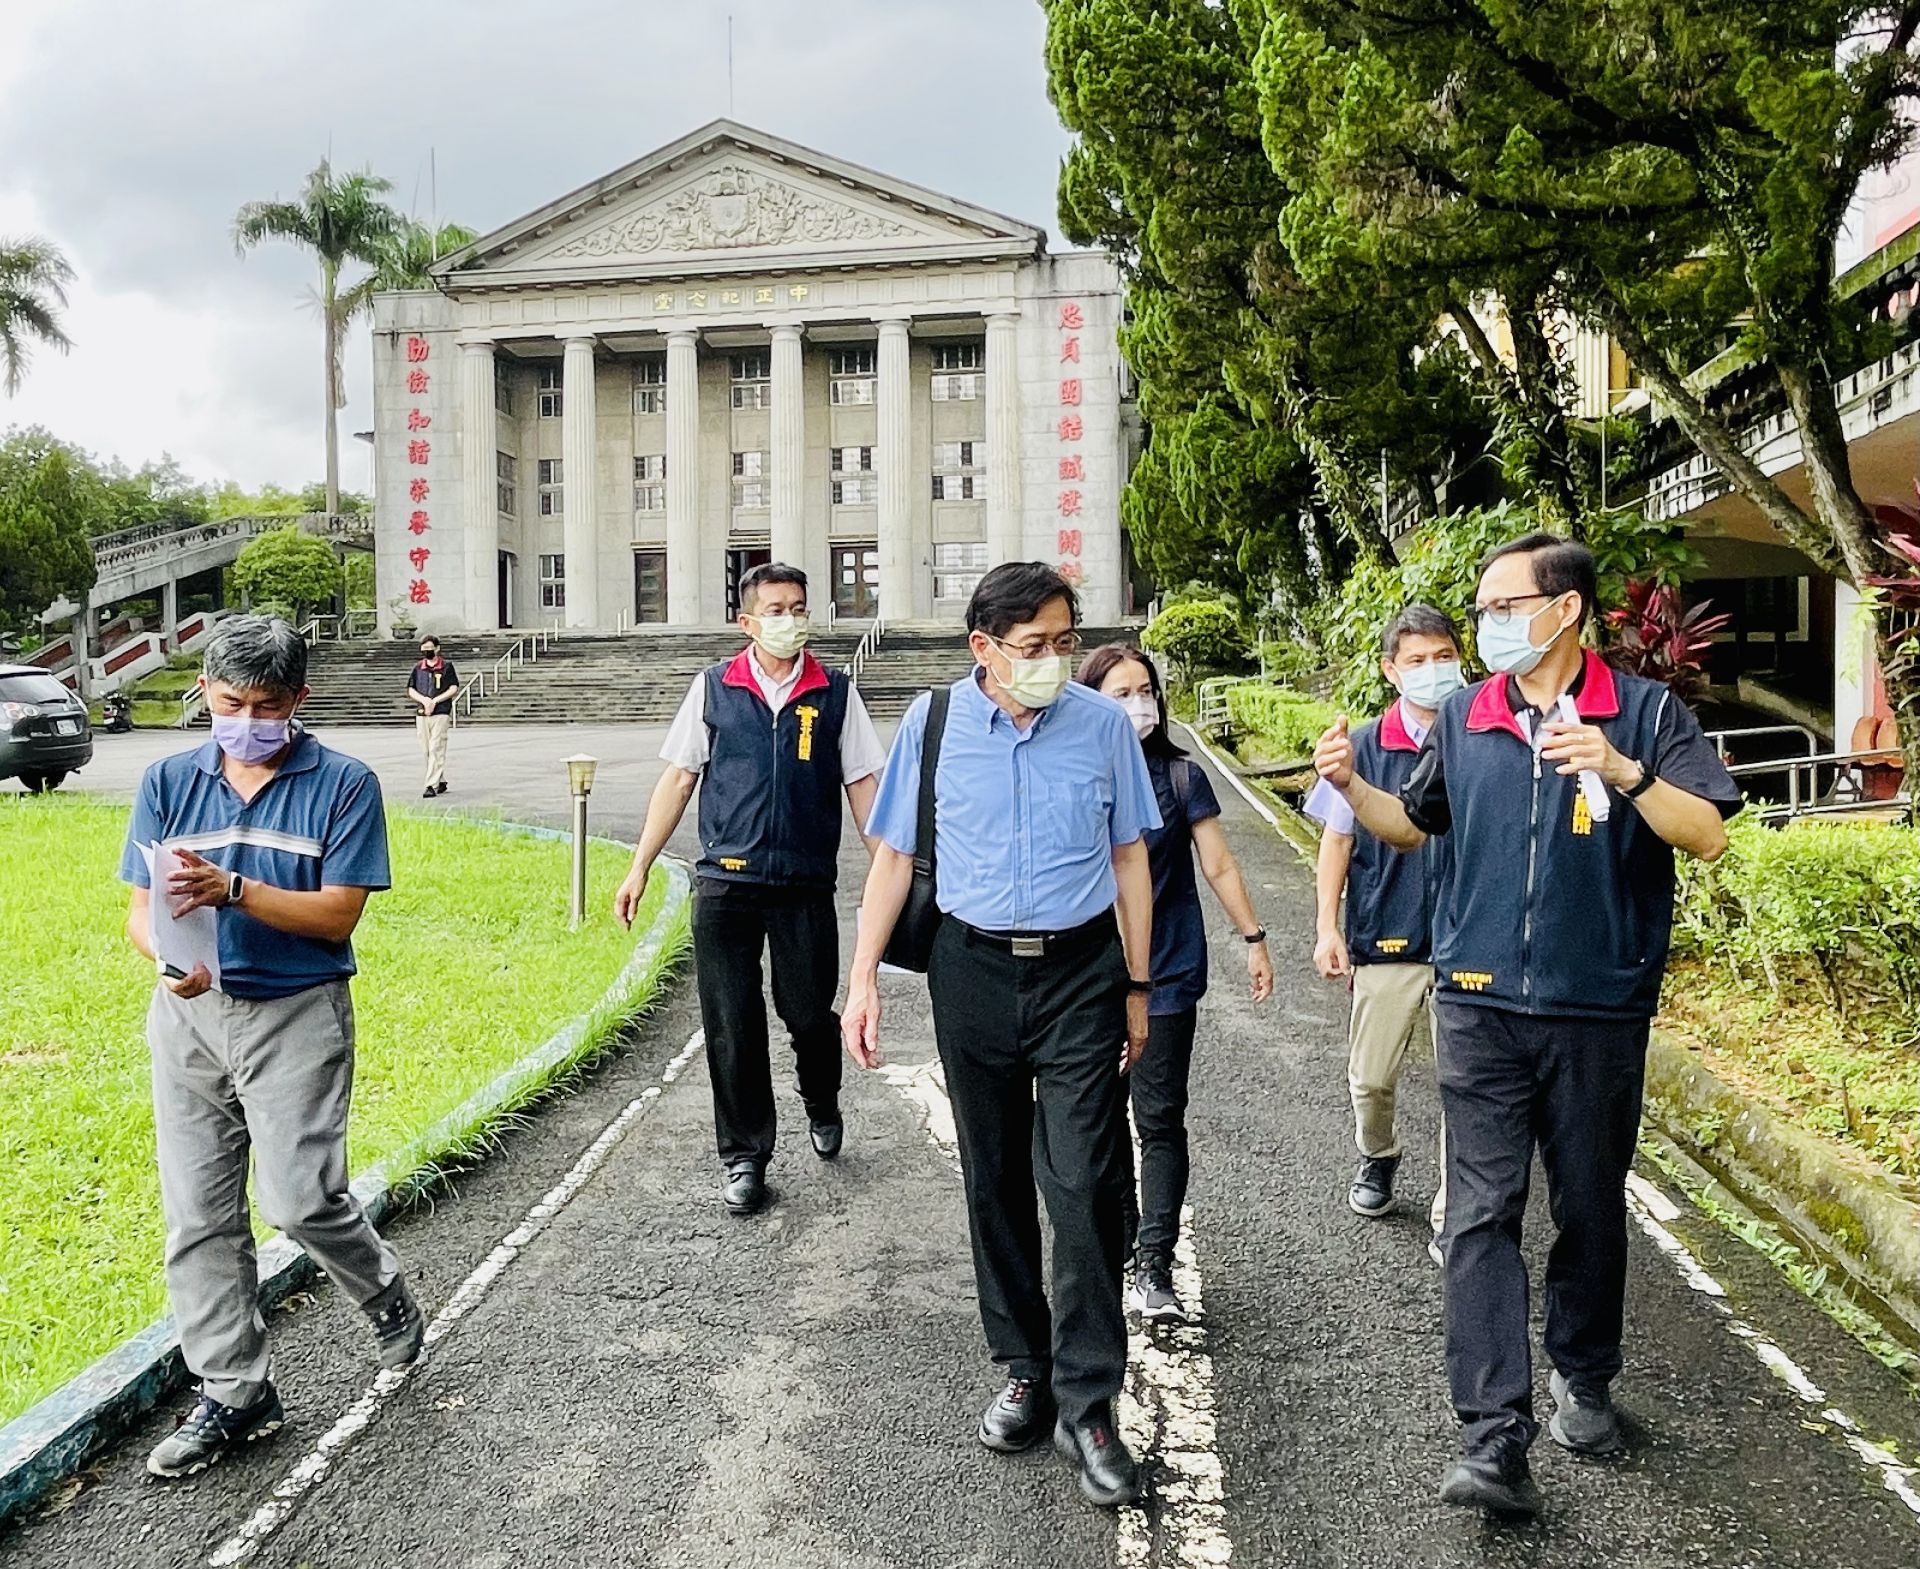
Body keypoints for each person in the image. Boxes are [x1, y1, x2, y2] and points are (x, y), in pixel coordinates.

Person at [1312, 534, 1740, 1516]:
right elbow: (1413, 824)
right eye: (1484, 606)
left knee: (1588, 1204)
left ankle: (1583, 1374)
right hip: (1479, 1003)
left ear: (1567, 611)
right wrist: (1347, 783)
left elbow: (1708, 833)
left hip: (1598, 1008)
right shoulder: (1465, 716)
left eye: (1507, 605)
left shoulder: (1643, 711)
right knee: (1480, 1212)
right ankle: (1492, 1438)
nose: (1488, 624)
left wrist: (1623, 770)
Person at [842, 563, 1161, 1510]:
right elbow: (893, 857)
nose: (1054, 662)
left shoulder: (1102, 727)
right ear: (982, 648)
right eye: (1033, 648)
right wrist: (861, 979)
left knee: (1082, 1178)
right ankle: (1024, 1364)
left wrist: (1138, 986)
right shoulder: (935, 727)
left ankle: (1091, 1402)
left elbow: (1131, 853)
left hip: (1081, 974)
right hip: (971, 971)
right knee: (993, 1172)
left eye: (1066, 642)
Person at [119, 615, 422, 1479]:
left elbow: (338, 913)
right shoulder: (170, 778)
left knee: (299, 1200)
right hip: (190, 1015)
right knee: (198, 1216)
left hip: (296, 1010)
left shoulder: (343, 783)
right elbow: (140, 907)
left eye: (264, 704)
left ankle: (381, 1290)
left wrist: (237, 889)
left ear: (297, 700)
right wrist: (166, 956)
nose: (245, 718)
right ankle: (236, 1390)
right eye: (227, 702)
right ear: (204, 695)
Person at [613, 563, 885, 1218]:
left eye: (798, 607)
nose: (788, 619)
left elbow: (864, 788)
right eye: (775, 609)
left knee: (807, 1015)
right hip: (725, 885)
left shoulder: (836, 693)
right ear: (747, 620)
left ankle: (822, 1100)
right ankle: (744, 1155)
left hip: (802, 885)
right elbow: (679, 781)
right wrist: (640, 865)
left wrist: (892, 871)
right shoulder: (713, 689)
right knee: (731, 1024)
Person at [1077, 643, 1272, 1325]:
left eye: (1145, 690)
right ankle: (1127, 1241)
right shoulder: (1073, 771)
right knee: (1098, 1119)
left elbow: (1218, 865)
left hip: (1164, 973)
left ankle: (1154, 1260)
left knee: (1156, 1116)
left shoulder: (1182, 778)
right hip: (1086, 977)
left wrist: (1254, 937)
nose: (1138, 704)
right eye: (1120, 692)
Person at [1302, 605, 1462, 1241]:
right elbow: (1337, 842)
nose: (1432, 671)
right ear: (1390, 671)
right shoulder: (1362, 746)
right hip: (1386, 934)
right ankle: (1379, 1153)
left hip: (1467, 937)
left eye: (1443, 657)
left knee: (1466, 1086)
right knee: (1371, 1078)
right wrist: (1326, 926)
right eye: (1416, 661)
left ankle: (1458, 1214)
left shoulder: (1481, 734)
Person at [406, 635, 460, 799]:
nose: (426, 651)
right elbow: (411, 688)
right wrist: (424, 701)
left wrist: (435, 701)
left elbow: (453, 687)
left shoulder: (446, 667)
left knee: (436, 747)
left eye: (429, 648)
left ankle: (431, 784)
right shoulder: (418, 668)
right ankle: (440, 779)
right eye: (424, 649)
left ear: (437, 648)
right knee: (427, 749)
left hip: (440, 712)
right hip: (422, 713)